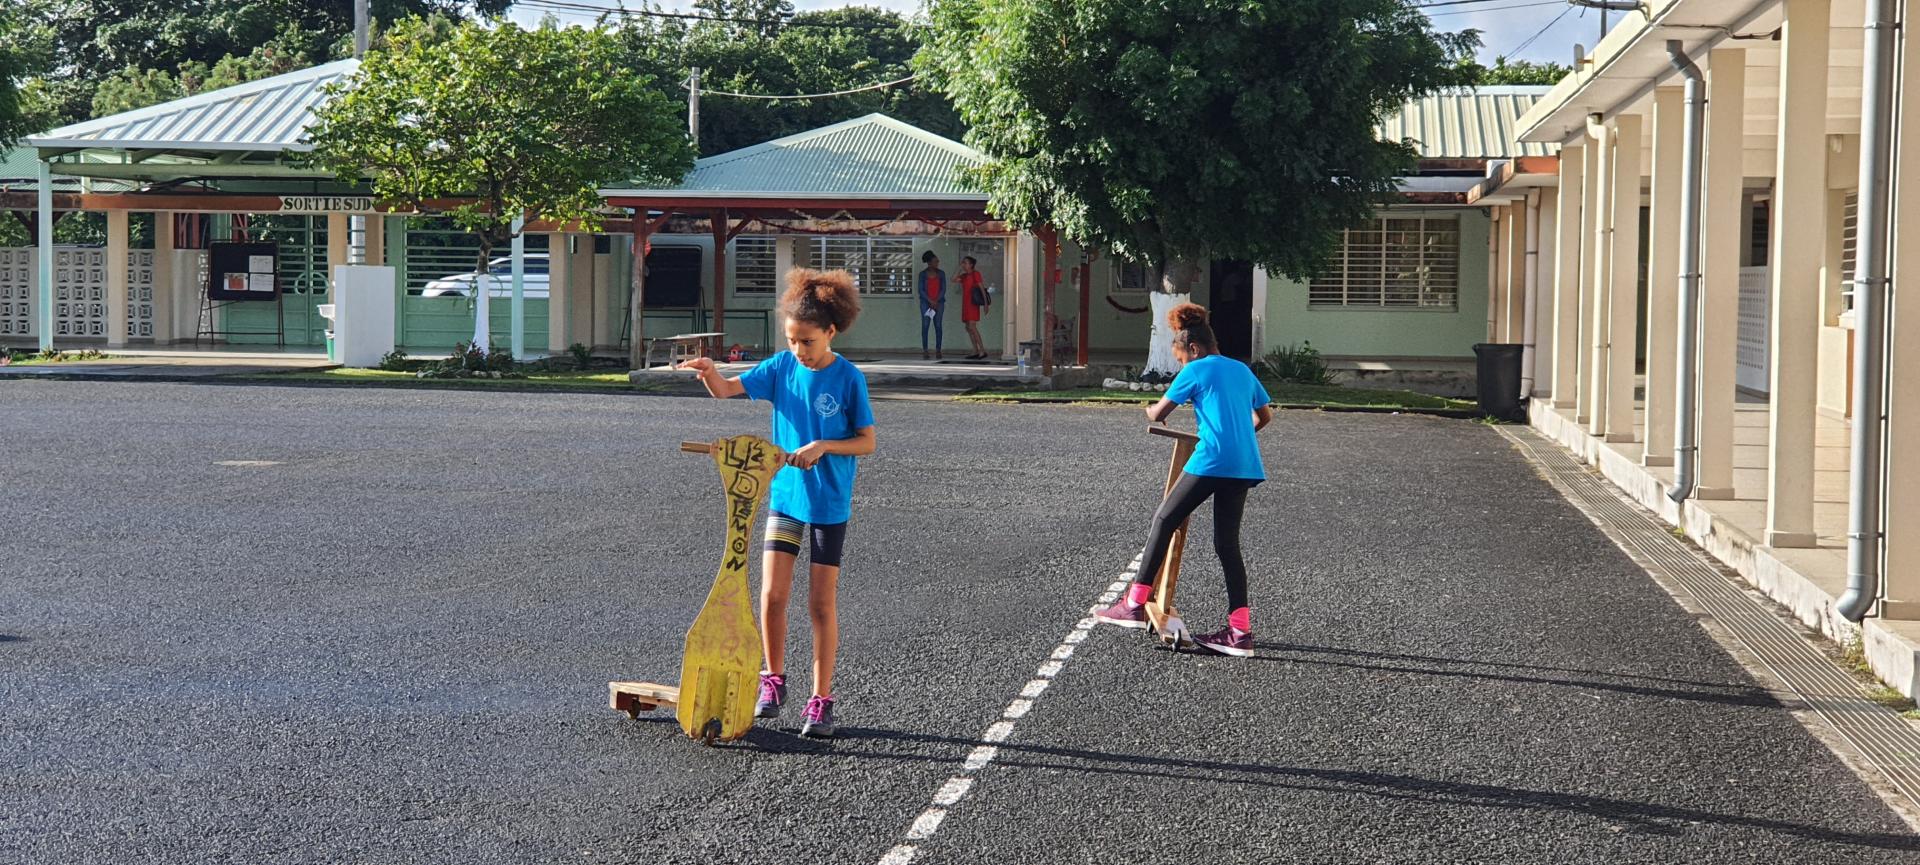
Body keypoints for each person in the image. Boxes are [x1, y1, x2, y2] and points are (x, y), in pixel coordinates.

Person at [677, 268, 877, 737]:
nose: (798, 350)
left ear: (831, 332)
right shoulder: (782, 367)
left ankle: (821, 700)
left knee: (820, 604)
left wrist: (824, 446)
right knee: (771, 596)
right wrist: (710, 374)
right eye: (791, 340)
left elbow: (867, 441)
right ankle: (773, 679)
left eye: (807, 341)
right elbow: (727, 390)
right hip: (785, 498)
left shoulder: (848, 378)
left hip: (827, 504)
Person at [1095, 303, 1273, 657]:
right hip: (1245, 464)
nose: (1181, 366)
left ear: (1193, 348)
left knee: (1164, 519)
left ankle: (1134, 603)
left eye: (1181, 359)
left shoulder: (1196, 369)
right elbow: (1264, 416)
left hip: (1212, 460)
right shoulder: (1241, 369)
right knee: (1227, 545)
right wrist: (1238, 437)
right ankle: (1240, 633)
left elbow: (1159, 413)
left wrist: (1149, 410)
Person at [958, 255, 990, 360]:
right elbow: (953, 279)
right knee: (968, 327)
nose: (964, 264)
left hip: (973, 304)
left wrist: (985, 304)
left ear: (971, 265)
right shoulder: (964, 276)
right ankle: (975, 350)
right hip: (965, 304)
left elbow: (981, 288)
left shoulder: (975, 274)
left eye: (965, 263)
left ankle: (982, 350)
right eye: (963, 262)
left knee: (972, 326)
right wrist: (959, 268)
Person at [917, 250, 947, 360]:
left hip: (939, 303)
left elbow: (943, 289)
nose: (937, 263)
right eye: (935, 261)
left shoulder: (941, 274)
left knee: (938, 325)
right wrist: (930, 301)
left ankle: (938, 349)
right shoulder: (922, 274)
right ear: (929, 263)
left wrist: (936, 301)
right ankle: (925, 349)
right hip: (926, 303)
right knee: (925, 325)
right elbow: (921, 290)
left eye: (937, 261)